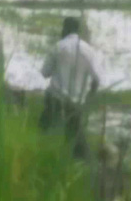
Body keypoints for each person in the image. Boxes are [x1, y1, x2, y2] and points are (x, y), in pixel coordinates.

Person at [39, 17, 100, 159]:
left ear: (64, 29)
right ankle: (76, 158)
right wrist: (89, 96)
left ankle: (44, 148)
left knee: (43, 128)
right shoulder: (89, 50)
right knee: (73, 132)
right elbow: (97, 79)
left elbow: (44, 73)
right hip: (76, 101)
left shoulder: (58, 47)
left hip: (55, 97)